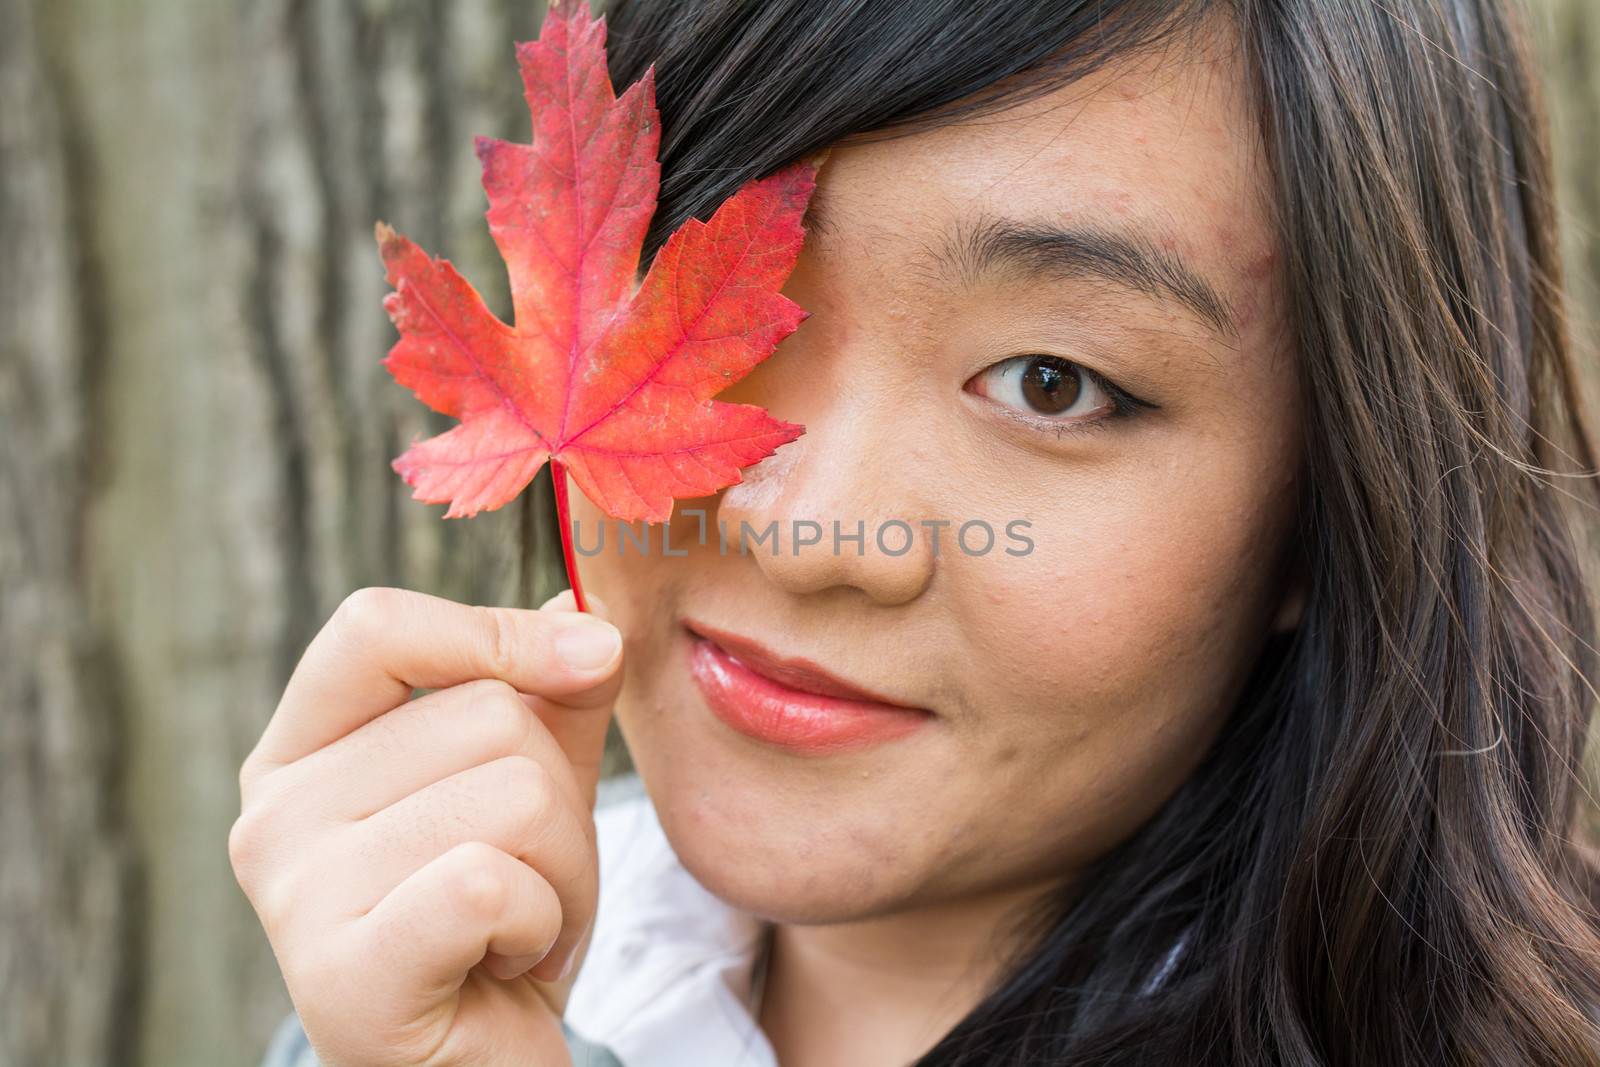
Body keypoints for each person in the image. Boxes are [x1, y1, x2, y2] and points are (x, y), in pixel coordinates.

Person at [232, 0, 1600, 1063]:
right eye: (723, 303)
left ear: (1325, 505)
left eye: (1053, 384)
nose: (806, 533)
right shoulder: (442, 967)